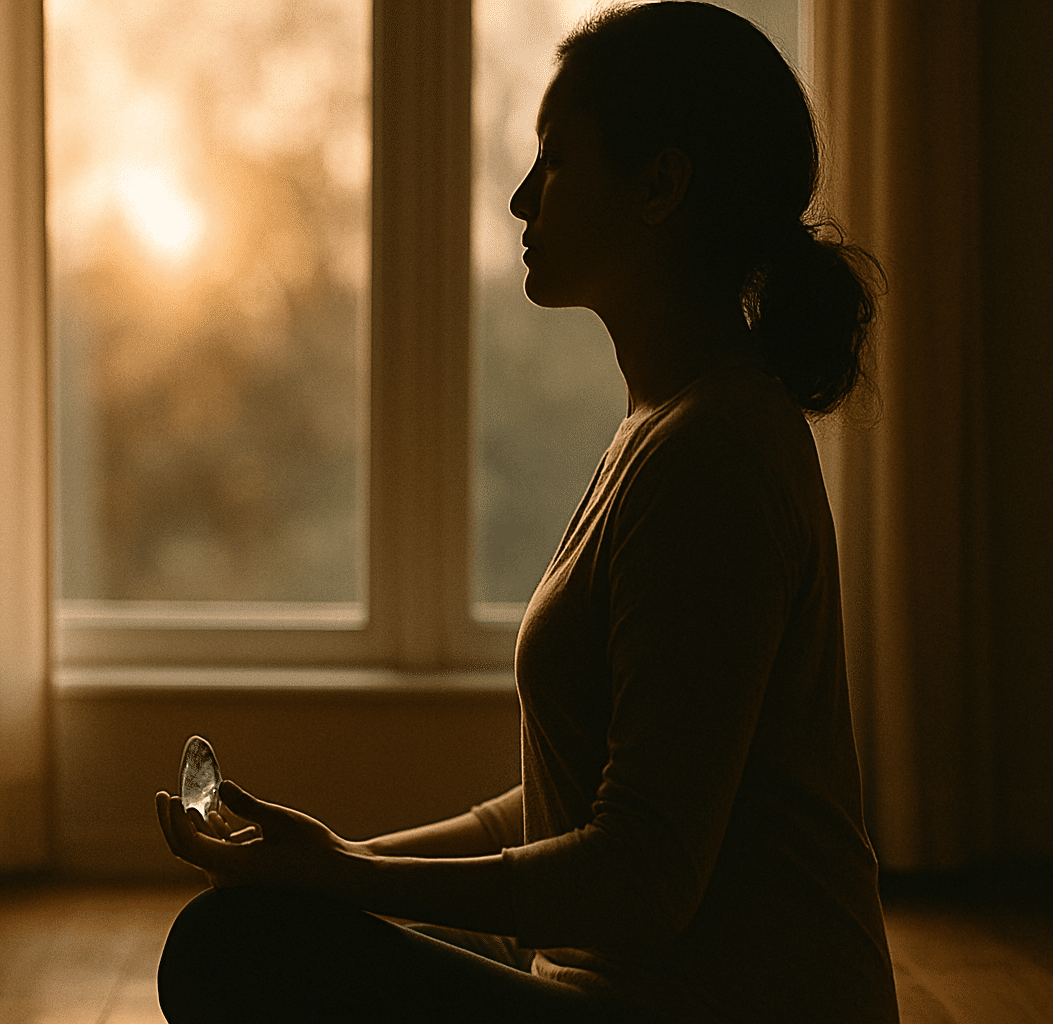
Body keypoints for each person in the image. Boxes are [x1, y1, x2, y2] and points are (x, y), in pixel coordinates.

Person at [154, 2, 900, 1020]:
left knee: (233, 949)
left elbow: (643, 876)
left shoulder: (714, 455)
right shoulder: (669, 426)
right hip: (603, 980)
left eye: (551, 160)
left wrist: (349, 881)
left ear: (658, 186)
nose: (517, 197)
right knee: (287, 924)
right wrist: (336, 861)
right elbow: (573, 803)